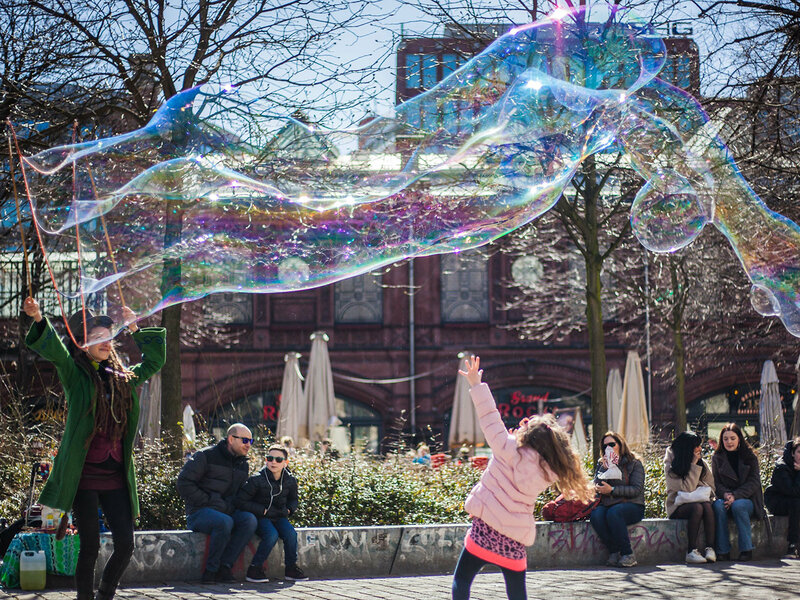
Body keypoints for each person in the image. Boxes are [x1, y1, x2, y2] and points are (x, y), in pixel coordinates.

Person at [22, 296, 166, 600]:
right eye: (96, 337)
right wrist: (38, 318)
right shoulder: (75, 376)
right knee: (89, 547)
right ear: (81, 345)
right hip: (84, 476)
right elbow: (58, 354)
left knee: (126, 544)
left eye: (108, 336)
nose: (105, 341)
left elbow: (155, 361)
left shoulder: (124, 377)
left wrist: (136, 328)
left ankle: (105, 594)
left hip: (115, 476)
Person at [452, 356, 593, 600]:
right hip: (514, 538)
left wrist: (476, 384)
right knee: (517, 593)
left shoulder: (506, 448)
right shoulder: (548, 471)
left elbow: (489, 416)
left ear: (527, 435)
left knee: (462, 580)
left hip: (484, 530)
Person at [177, 423, 258, 583]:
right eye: (244, 440)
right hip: (199, 512)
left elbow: (239, 494)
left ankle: (225, 566)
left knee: (249, 520)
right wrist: (208, 501)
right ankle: (210, 571)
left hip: (226, 510)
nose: (248, 445)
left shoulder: (243, 464)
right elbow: (184, 483)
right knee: (224, 522)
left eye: (251, 441)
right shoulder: (206, 456)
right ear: (230, 439)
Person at [236, 444, 308, 583]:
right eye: (270, 458)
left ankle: (291, 569)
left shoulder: (290, 480)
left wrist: (289, 510)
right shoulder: (256, 479)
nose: (273, 462)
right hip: (261, 517)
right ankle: (254, 569)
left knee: (291, 534)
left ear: (285, 463)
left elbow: (294, 499)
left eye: (278, 459)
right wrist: (261, 510)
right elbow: (240, 501)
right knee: (271, 535)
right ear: (266, 460)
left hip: (279, 516)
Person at [589, 431, 645, 568]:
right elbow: (597, 485)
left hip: (632, 505)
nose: (609, 448)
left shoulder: (634, 463)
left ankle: (628, 554)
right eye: (605, 446)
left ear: (620, 445)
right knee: (596, 515)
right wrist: (604, 472)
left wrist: (613, 490)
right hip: (609, 504)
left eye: (612, 444)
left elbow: (636, 490)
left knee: (614, 513)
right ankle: (614, 551)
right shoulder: (601, 463)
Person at [710, 423, 764, 561]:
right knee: (717, 506)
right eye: (726, 439)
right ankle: (723, 550)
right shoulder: (717, 457)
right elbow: (716, 482)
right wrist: (727, 495)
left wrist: (736, 495)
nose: (729, 442)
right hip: (726, 497)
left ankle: (746, 549)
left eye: (732, 438)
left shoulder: (749, 456)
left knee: (738, 505)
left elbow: (754, 482)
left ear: (739, 438)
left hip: (748, 500)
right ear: (721, 440)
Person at [664, 431, 716, 564]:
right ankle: (691, 551)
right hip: (676, 506)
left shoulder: (701, 463)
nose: (699, 449)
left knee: (707, 506)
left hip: (698, 502)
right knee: (698, 508)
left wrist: (696, 469)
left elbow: (711, 487)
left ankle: (710, 548)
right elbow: (686, 488)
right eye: (696, 446)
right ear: (687, 448)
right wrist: (693, 465)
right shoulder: (671, 464)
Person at [764, 436, 800, 559]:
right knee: (796, 503)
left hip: (793, 499)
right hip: (777, 501)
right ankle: (792, 545)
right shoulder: (782, 467)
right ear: (792, 453)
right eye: (799, 452)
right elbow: (792, 491)